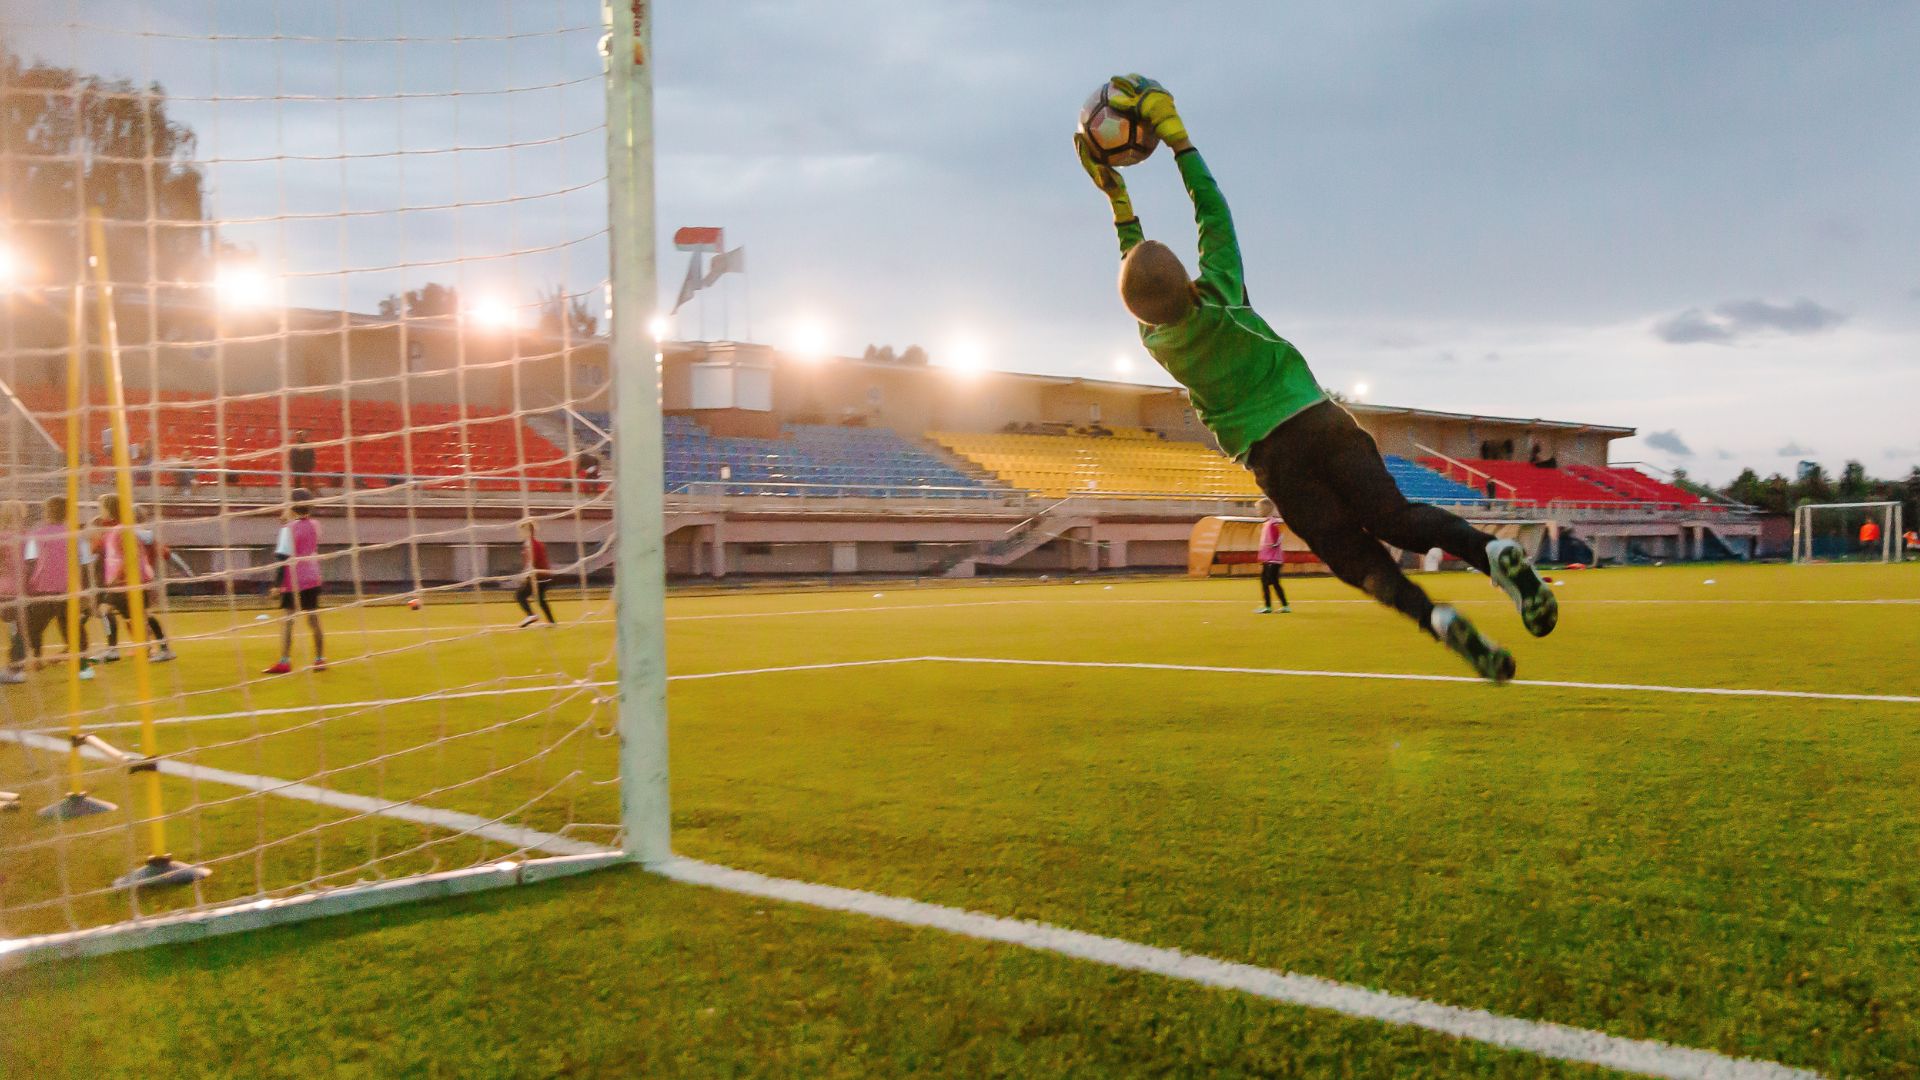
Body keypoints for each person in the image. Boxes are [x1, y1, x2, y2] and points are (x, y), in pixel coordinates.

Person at [1074, 75, 1556, 681]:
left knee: (1355, 557)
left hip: (1277, 460)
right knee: (1396, 518)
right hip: (1321, 421)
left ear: (1137, 314)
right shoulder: (1222, 294)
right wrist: (1176, 140)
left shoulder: (1157, 342)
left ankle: (1434, 619)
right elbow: (1211, 210)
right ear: (1185, 278)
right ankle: (1493, 551)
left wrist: (1117, 201)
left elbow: (1140, 275)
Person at [93, 493, 176, 663]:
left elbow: (131, 556)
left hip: (127, 582)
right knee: (136, 616)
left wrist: (116, 576)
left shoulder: (122, 530)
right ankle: (152, 648)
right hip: (124, 583)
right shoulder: (116, 529)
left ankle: (115, 650)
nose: (100, 511)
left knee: (107, 611)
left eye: (101, 507)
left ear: (110, 509)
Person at [21, 495, 96, 679]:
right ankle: (83, 668)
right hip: (67, 590)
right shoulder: (76, 535)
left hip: (42, 589)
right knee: (72, 628)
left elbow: (30, 561)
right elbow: (86, 562)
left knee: (32, 627)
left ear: (47, 512)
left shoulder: (37, 534)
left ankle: (36, 659)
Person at [264, 488, 326, 674]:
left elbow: (283, 557)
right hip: (313, 576)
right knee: (314, 619)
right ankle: (319, 659)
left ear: (292, 506)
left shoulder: (287, 530)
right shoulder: (315, 525)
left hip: (294, 579)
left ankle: (284, 661)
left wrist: (276, 585)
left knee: (288, 621)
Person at [0, 501, 29, 684]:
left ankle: (15, 669)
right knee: (19, 628)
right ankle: (16, 668)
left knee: (14, 626)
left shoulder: (2, 537)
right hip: (23, 590)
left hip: (4, 588)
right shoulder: (28, 536)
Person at [514, 519, 558, 628]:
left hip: (540, 577)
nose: (520, 533)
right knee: (540, 599)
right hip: (544, 576)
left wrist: (524, 575)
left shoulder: (532, 544)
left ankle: (532, 615)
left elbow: (532, 562)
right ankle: (552, 622)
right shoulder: (531, 544)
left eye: (522, 530)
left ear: (528, 531)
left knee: (520, 595)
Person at [1254, 499, 1290, 615]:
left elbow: (1276, 540)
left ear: (1265, 509)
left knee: (1270, 582)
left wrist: (1271, 545)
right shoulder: (1268, 523)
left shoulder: (1272, 523)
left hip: (1272, 560)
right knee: (1269, 582)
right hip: (1269, 559)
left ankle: (1273, 606)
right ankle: (1275, 606)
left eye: (1259, 508)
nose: (1258, 511)